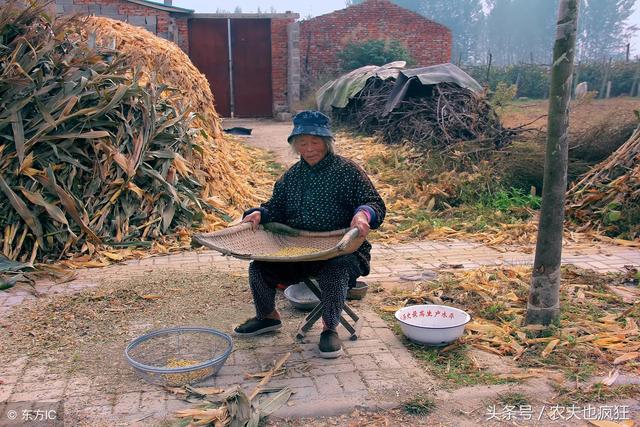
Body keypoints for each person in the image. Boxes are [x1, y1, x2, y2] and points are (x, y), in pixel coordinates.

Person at [234, 110, 386, 358]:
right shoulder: (292, 177)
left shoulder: (347, 171)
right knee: (259, 267)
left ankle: (329, 329)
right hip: (300, 250)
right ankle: (268, 317)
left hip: (341, 247)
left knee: (335, 270)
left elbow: (373, 202)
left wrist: (363, 215)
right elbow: (277, 207)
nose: (309, 148)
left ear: (326, 143)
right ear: (295, 146)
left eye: (315, 142)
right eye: (303, 143)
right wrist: (260, 213)